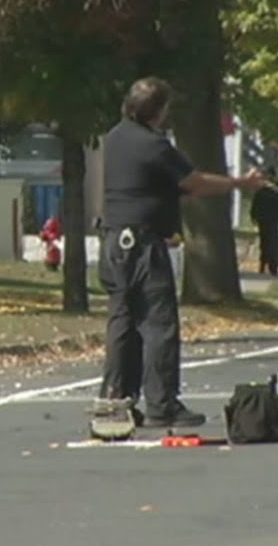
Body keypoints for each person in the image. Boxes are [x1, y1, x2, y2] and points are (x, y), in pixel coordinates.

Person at [97, 77, 266, 428]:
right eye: (166, 108)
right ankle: (162, 403)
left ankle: (115, 399)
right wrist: (239, 184)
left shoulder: (114, 138)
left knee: (122, 321)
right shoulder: (154, 144)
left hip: (114, 240)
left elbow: (152, 188)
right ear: (157, 111)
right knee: (159, 324)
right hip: (143, 245)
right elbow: (194, 182)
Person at [249, 166, 278, 276]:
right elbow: (256, 203)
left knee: (271, 243)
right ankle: (264, 265)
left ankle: (272, 266)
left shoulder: (276, 189)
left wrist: (254, 216)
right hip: (267, 219)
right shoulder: (263, 189)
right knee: (266, 242)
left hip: (271, 219)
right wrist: (254, 216)